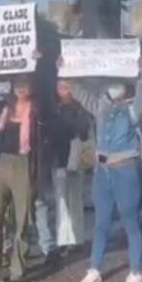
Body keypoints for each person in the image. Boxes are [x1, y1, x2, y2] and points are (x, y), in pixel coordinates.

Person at [71, 58, 142, 282]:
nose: (113, 88)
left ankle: (136, 272)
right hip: (102, 171)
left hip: (125, 169)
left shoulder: (133, 110)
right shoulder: (102, 108)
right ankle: (94, 268)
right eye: (111, 85)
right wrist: (67, 68)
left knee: (130, 221)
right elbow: (80, 94)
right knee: (101, 222)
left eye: (118, 85)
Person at [0, 75, 49, 282]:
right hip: (1, 164)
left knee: (22, 221)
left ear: (32, 88)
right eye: (18, 85)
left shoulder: (38, 111)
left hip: (24, 164)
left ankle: (17, 272)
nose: (21, 89)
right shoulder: (5, 109)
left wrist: (38, 174)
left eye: (25, 85)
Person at [51, 79, 94, 254]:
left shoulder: (81, 109)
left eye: (67, 87)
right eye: (61, 87)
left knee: (75, 199)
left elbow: (84, 132)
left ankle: (77, 238)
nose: (64, 91)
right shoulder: (54, 108)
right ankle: (63, 239)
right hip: (58, 159)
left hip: (75, 157)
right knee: (61, 201)